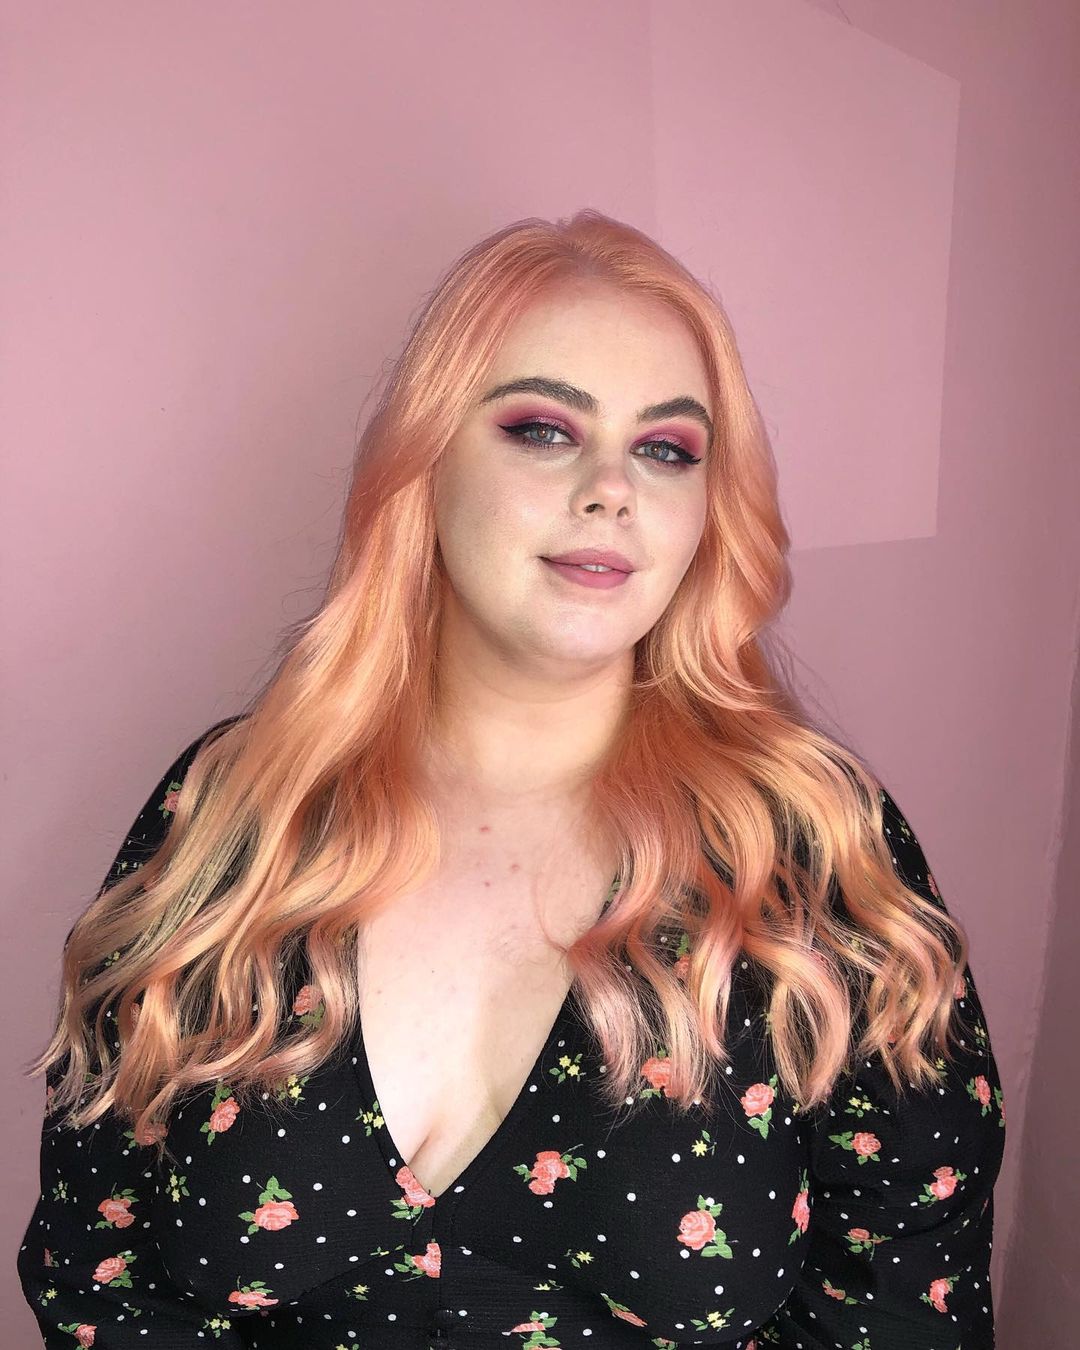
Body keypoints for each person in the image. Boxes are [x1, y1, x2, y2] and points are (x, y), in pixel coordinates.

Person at [17, 210, 1005, 1349]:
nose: (612, 489)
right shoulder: (239, 811)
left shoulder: (815, 848)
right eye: (543, 430)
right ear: (425, 463)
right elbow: (98, 1268)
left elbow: (909, 1300)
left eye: (668, 449)